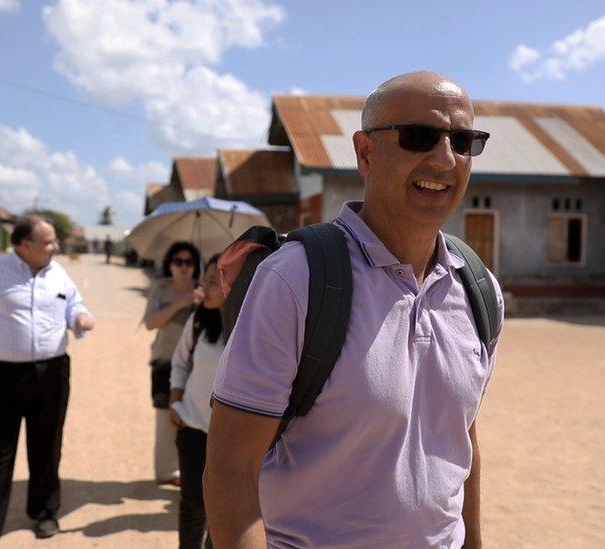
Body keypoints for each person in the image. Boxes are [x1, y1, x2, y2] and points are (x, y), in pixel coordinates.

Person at [204, 71, 503, 548]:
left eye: (464, 141)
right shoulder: (295, 279)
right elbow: (230, 467)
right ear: (365, 152)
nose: (445, 158)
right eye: (419, 137)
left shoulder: (477, 287)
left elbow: (460, 434)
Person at [0, 214, 95, 547]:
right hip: (2, 374)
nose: (54, 247)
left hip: (52, 374)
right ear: (23, 245)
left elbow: (73, 303)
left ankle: (45, 513)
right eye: (47, 242)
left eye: (53, 241)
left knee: (47, 446)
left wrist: (80, 317)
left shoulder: (58, 273)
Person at [169, 254, 224, 549]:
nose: (205, 287)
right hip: (191, 429)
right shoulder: (198, 320)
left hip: (231, 440)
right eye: (205, 279)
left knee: (223, 512)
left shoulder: (252, 329)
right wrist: (175, 402)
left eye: (213, 281)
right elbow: (179, 364)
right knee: (192, 505)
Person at [142, 241, 202, 486]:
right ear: (170, 264)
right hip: (165, 362)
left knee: (194, 421)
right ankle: (166, 471)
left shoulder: (204, 291)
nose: (184, 267)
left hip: (196, 365)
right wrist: (182, 301)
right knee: (166, 420)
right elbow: (150, 322)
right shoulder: (161, 290)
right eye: (178, 262)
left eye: (189, 262)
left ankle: (188, 470)